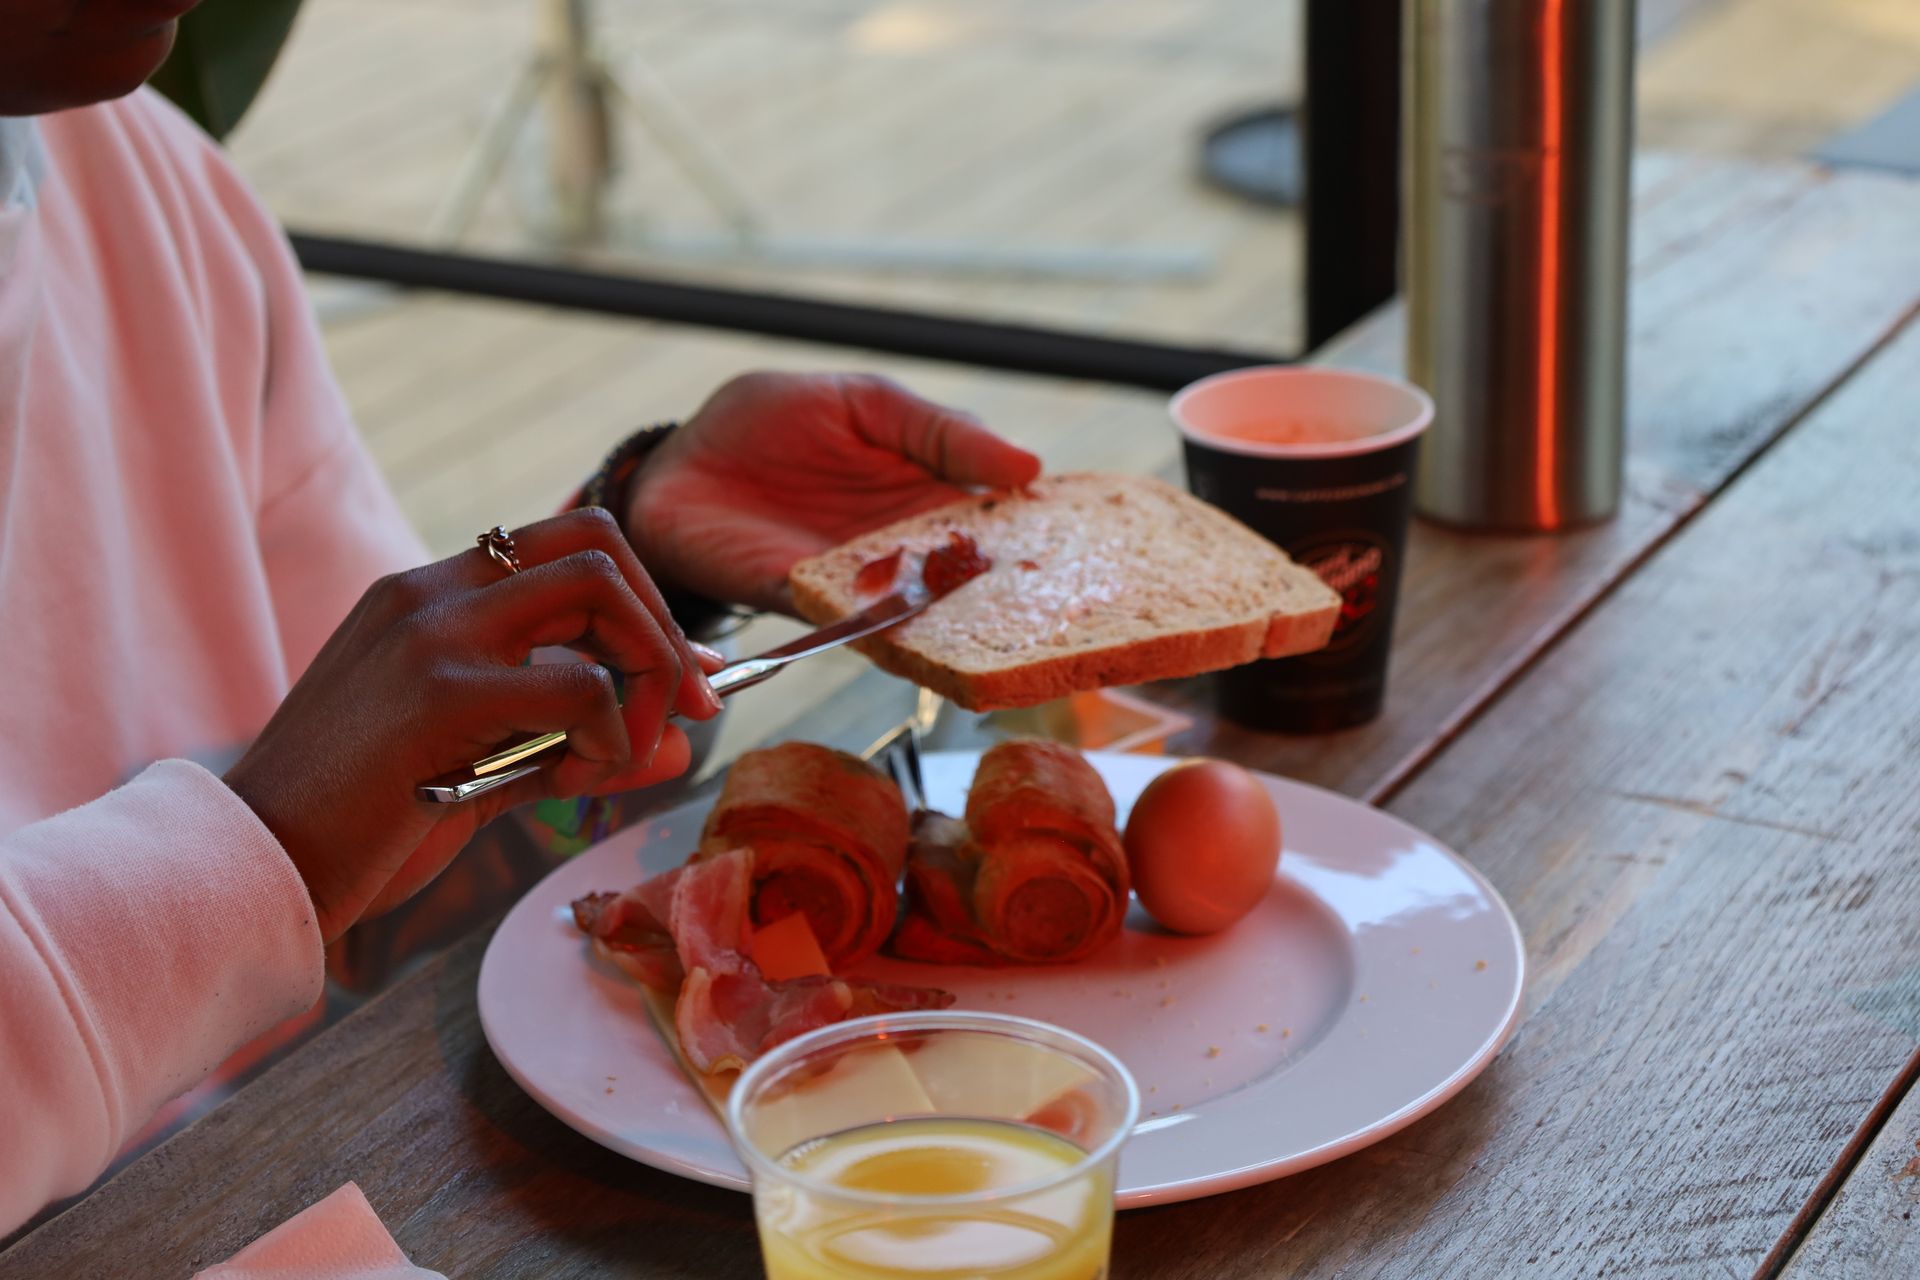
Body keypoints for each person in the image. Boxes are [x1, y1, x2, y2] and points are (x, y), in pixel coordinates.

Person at [0, 1, 1041, 1233]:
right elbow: (289, 852)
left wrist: (643, 568)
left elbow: (367, 898)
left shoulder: (141, 175)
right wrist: (277, 840)